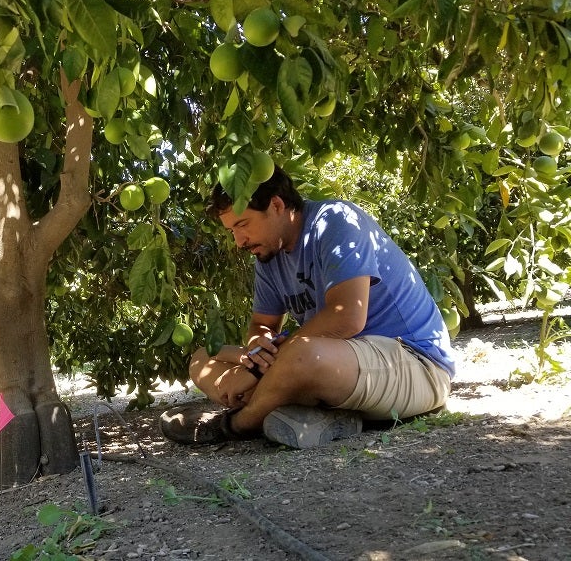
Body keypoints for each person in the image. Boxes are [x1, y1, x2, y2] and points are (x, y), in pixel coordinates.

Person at [160, 166, 455, 448]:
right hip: (340, 367)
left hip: (417, 366)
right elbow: (262, 325)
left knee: (303, 355)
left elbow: (347, 318)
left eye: (242, 225)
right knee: (203, 358)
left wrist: (259, 372)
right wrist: (257, 351)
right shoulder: (269, 254)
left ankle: (237, 424)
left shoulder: (336, 220)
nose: (239, 241)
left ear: (276, 205)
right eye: (231, 231)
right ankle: (314, 415)